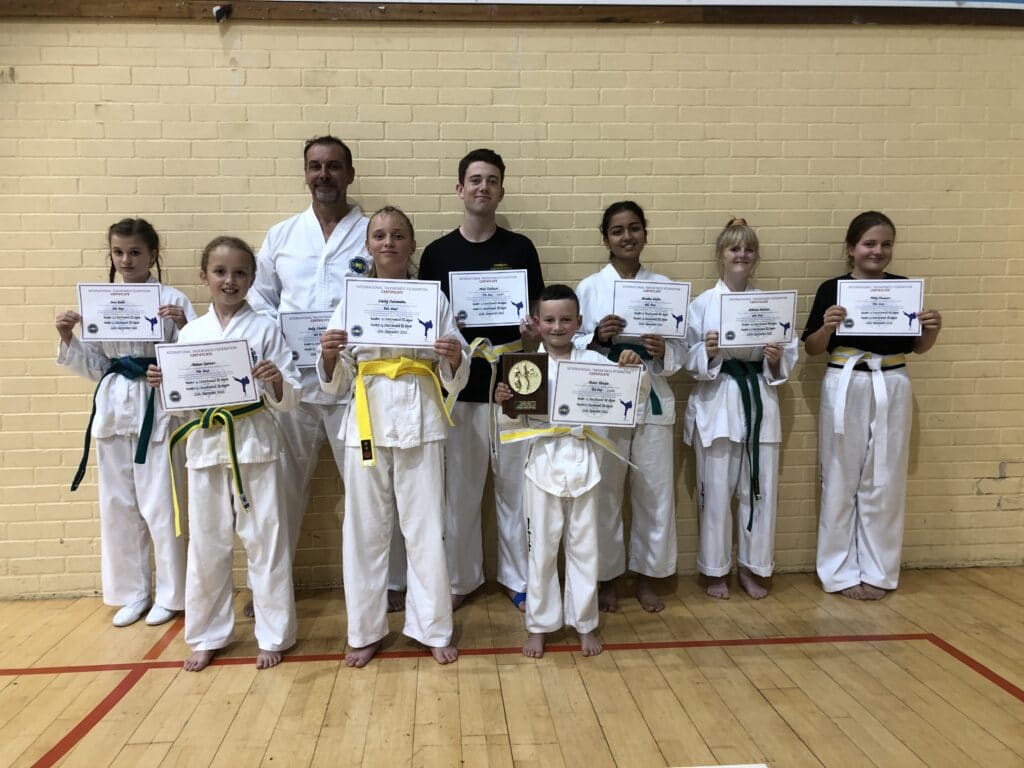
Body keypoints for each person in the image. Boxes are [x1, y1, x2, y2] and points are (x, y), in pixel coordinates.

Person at [318, 207, 468, 666]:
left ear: (411, 243)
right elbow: (338, 377)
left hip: (421, 416)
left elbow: (455, 365)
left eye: (398, 235)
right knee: (363, 530)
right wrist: (327, 355)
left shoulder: (433, 299)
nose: (388, 242)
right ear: (368, 246)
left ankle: (433, 625)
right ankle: (364, 629)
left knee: (425, 528)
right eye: (379, 235)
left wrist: (452, 358)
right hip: (366, 417)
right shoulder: (351, 300)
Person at [148, 236, 301, 671]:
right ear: (204, 277)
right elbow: (180, 408)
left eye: (239, 273)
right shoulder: (191, 333)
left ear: (252, 279)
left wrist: (275, 381)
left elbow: (292, 397)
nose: (229, 281)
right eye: (220, 272)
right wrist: (165, 386)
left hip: (256, 444)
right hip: (207, 447)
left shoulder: (266, 328)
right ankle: (207, 634)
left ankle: (274, 634)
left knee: (266, 542)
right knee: (207, 545)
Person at [247, 136, 385, 588]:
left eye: (333, 166)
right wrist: (281, 339)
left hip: (353, 382)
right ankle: (273, 589)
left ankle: (385, 584)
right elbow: (259, 299)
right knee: (282, 490)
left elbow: (392, 297)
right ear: (305, 173)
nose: (323, 175)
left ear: (350, 173)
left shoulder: (372, 234)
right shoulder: (282, 236)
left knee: (371, 489)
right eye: (314, 166)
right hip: (293, 383)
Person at [418, 148, 544, 611]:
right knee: (462, 492)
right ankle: (462, 579)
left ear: (501, 191)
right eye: (474, 179)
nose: (482, 187)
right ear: (460, 188)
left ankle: (520, 579)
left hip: (517, 376)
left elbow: (535, 316)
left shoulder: (520, 249)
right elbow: (427, 324)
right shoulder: (436, 254)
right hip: (461, 384)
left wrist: (532, 333)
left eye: (492, 180)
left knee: (517, 489)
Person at [56, 218, 193, 628]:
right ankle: (132, 593)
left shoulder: (173, 299)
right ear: (111, 256)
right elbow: (99, 366)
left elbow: (200, 361)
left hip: (158, 406)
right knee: (118, 505)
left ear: (153, 254)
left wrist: (182, 331)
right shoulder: (101, 301)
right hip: (115, 405)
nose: (127, 259)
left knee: (163, 505)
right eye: (119, 252)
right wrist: (69, 338)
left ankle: (173, 593)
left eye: (135, 252)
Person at [495, 284, 642, 658]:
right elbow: (512, 423)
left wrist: (631, 369)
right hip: (541, 465)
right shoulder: (527, 366)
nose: (557, 327)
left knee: (584, 549)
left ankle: (585, 623)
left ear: (579, 322)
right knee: (541, 550)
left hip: (586, 464)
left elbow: (629, 401)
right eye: (549, 320)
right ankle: (540, 625)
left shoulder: (594, 362)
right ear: (536, 323)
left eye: (565, 320)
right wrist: (505, 403)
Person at [802, 211, 941, 600]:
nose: (878, 251)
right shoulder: (833, 289)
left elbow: (917, 347)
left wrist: (933, 330)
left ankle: (879, 571)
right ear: (851, 248)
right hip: (844, 381)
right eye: (869, 243)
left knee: (885, 477)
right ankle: (838, 571)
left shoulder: (903, 290)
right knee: (840, 475)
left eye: (885, 244)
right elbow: (812, 349)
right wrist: (827, 327)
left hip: (892, 381)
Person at [574, 201, 684, 613]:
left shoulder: (665, 287)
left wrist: (662, 349)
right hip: (604, 401)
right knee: (604, 493)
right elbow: (570, 343)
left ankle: (648, 576)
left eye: (634, 228)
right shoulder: (588, 288)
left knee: (654, 493)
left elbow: (682, 353)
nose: (626, 237)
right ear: (605, 238)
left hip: (652, 400)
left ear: (645, 234)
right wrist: (599, 339)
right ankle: (605, 577)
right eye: (617, 230)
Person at [683, 218, 798, 600]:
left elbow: (788, 356)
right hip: (717, 402)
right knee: (715, 493)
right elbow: (687, 357)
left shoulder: (770, 305)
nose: (741, 255)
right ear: (720, 255)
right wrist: (709, 352)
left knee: (759, 491)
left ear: (756, 258)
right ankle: (715, 569)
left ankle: (753, 567)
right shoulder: (701, 304)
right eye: (734, 248)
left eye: (748, 249)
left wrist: (776, 357)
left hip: (759, 403)